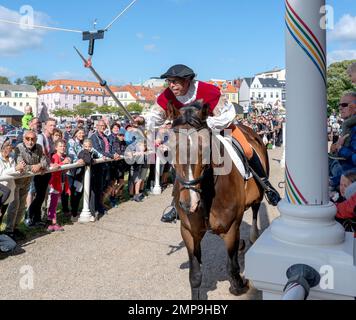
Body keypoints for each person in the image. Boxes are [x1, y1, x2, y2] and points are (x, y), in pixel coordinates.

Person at [146, 64, 281, 222]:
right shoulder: (167, 95)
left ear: (187, 80)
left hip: (219, 126)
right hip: (190, 135)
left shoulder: (208, 91)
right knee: (183, 160)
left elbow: (227, 114)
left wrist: (207, 124)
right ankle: (176, 203)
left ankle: (266, 186)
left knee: (248, 149)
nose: (171, 85)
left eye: (175, 81)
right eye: (169, 81)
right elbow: (154, 116)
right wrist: (142, 120)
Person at [47, 139, 71, 232]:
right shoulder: (54, 156)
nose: (63, 147)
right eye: (60, 146)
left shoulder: (64, 157)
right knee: (52, 202)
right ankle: (52, 222)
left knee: (55, 203)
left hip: (61, 182)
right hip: (54, 183)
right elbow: (55, 169)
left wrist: (66, 163)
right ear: (56, 147)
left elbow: (64, 170)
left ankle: (52, 221)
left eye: (64, 146)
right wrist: (63, 163)